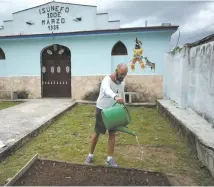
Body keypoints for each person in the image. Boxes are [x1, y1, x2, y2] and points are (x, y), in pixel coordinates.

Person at [85, 63, 128, 167]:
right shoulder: (106, 80)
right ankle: (90, 155)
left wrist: (123, 106)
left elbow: (122, 95)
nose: (123, 77)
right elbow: (107, 90)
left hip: (113, 110)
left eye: (125, 74)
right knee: (97, 133)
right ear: (116, 70)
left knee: (112, 134)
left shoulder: (121, 83)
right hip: (102, 110)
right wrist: (115, 97)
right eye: (122, 74)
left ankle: (109, 159)